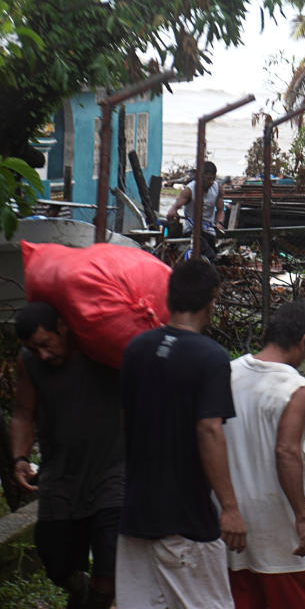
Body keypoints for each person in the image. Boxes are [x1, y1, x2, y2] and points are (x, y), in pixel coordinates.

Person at [116, 258, 246, 608]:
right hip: (186, 521)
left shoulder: (135, 350)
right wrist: (230, 508)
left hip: (135, 516)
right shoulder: (211, 358)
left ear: (169, 299)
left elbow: (126, 421)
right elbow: (209, 430)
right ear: (211, 302)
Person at [221, 299, 305, 609]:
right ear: (303, 341)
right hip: (278, 522)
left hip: (231, 519)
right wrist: (302, 517)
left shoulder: (227, 372)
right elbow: (286, 452)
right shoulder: (296, 387)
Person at [10, 302, 124, 609]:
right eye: (35, 349)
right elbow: (23, 412)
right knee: (55, 560)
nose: (43, 355)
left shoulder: (101, 353)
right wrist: (20, 458)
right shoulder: (30, 363)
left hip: (111, 476)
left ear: (62, 326)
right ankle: (79, 589)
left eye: (46, 344)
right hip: (59, 478)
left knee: (108, 566)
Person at [166, 160, 225, 260]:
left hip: (209, 230)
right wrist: (173, 213)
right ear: (201, 177)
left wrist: (219, 223)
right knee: (208, 253)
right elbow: (176, 206)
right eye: (208, 179)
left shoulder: (217, 189)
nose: (211, 182)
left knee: (213, 252)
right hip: (191, 230)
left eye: (213, 179)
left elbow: (220, 210)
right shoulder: (189, 190)